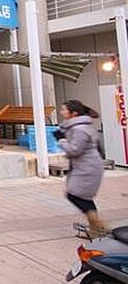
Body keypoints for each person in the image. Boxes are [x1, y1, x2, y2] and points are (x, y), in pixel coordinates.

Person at [54, 99, 107, 237]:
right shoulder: (79, 126)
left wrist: (61, 140)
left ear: (74, 113)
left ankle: (98, 226)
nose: (61, 112)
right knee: (82, 196)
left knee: (74, 195)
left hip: (88, 167)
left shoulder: (80, 129)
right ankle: (97, 227)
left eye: (64, 109)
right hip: (84, 165)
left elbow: (75, 150)